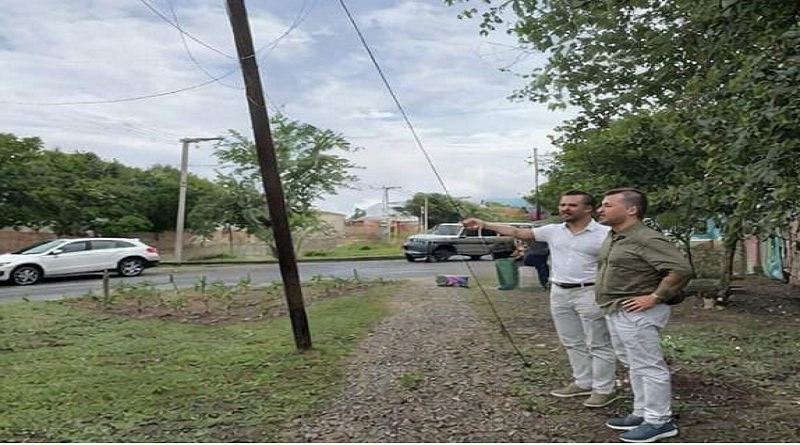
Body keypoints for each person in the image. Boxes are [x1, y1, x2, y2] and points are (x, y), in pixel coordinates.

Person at [463, 190, 618, 408]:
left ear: (588, 208)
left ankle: (604, 389)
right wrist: (483, 223)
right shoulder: (553, 231)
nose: (565, 208)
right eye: (563, 204)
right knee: (572, 341)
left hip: (590, 292)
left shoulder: (606, 233)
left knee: (598, 342)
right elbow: (518, 231)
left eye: (572, 205)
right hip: (559, 291)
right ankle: (583, 382)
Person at [595, 188, 692, 443]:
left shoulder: (646, 238)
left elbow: (680, 269)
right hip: (616, 309)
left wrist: (655, 297)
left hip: (637, 312)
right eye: (601, 205)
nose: (600, 209)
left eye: (607, 205)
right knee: (634, 364)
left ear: (631, 210)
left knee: (649, 366)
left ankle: (660, 421)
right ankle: (641, 413)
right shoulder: (615, 236)